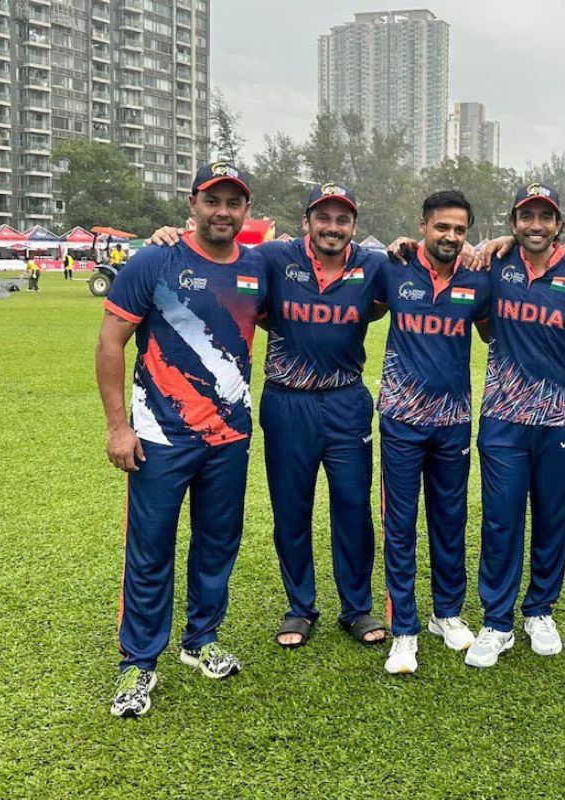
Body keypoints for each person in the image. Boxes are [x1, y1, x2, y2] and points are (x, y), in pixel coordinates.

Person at [148, 182, 392, 649]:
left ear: (354, 227)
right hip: (287, 402)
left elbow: (418, 267)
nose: (333, 228)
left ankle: (356, 608)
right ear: (307, 222)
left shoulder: (372, 264)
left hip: (346, 401)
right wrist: (170, 237)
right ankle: (300, 607)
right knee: (291, 508)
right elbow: (217, 254)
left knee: (353, 508)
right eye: (324, 218)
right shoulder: (273, 259)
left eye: (343, 220)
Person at [97, 161, 265, 718]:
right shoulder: (155, 259)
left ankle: (201, 639)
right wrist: (118, 427)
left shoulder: (257, 268)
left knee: (217, 543)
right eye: (212, 201)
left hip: (230, 437)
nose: (222, 211)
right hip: (160, 437)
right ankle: (138, 664)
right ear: (192, 203)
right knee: (150, 550)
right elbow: (110, 343)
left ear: (246, 210)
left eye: (233, 202)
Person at [463, 183, 565, 668]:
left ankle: (539, 610)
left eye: (546, 217)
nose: (536, 225)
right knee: (501, 518)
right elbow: (482, 322)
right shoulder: (494, 267)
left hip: (562, 419)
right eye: (527, 217)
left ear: (559, 225)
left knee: (551, 518)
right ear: (513, 224)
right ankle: (497, 620)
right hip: (503, 417)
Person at [372, 190, 491, 675]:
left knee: (449, 520)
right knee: (400, 526)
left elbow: (491, 331)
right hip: (400, 418)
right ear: (423, 225)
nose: (450, 236)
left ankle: (447, 613)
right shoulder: (393, 268)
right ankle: (404, 630)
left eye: (459, 229)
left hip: (454, 421)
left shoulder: (477, 280)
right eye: (442, 226)